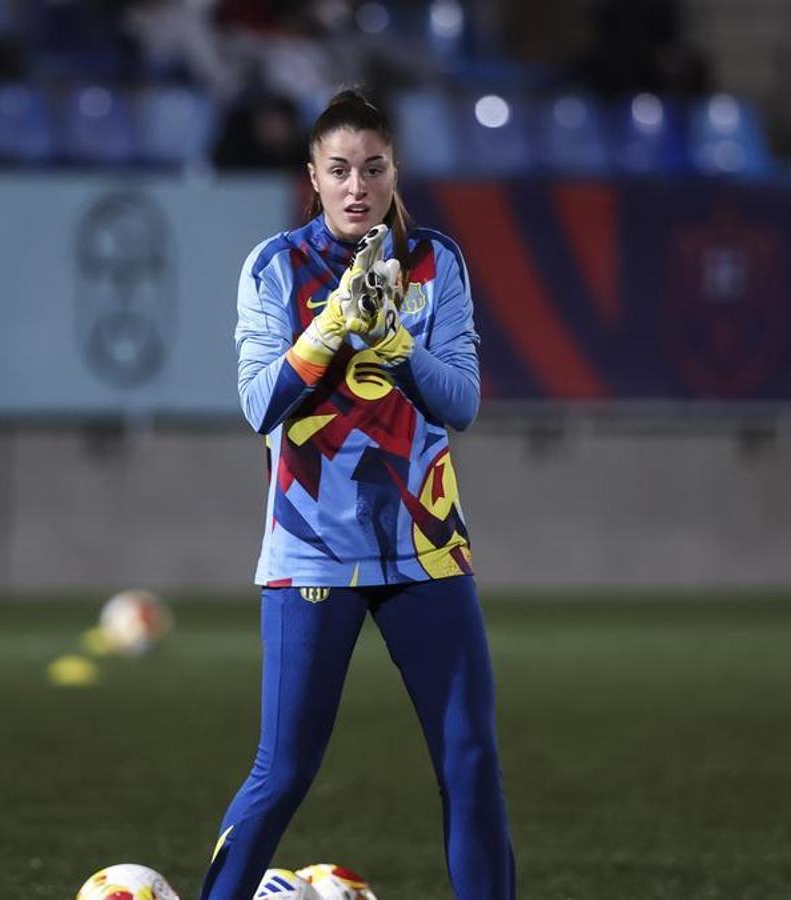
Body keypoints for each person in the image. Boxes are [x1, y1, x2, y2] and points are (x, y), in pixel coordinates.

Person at [199, 89, 514, 899]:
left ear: (393, 171)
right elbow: (259, 403)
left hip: (427, 547)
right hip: (312, 549)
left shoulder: (436, 261)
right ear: (312, 176)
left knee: (470, 762)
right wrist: (334, 326)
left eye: (372, 168)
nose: (356, 186)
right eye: (338, 169)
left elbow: (462, 403)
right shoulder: (276, 266)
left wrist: (398, 345)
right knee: (284, 771)